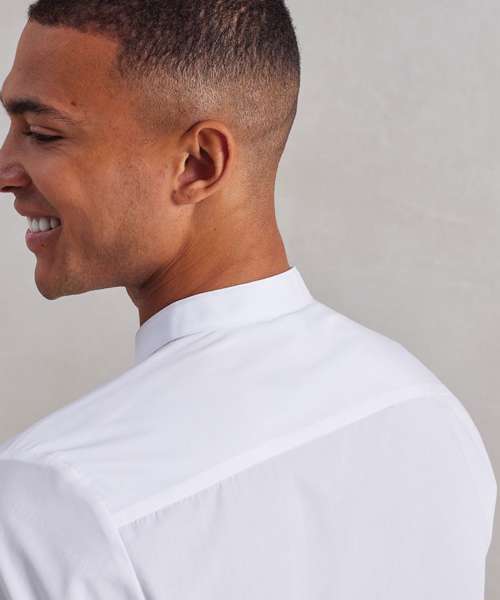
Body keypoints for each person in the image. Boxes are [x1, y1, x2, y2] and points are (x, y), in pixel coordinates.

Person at [0, 1, 496, 599]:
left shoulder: (52, 501)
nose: (5, 171)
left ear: (198, 164)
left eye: (42, 134)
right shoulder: (426, 411)